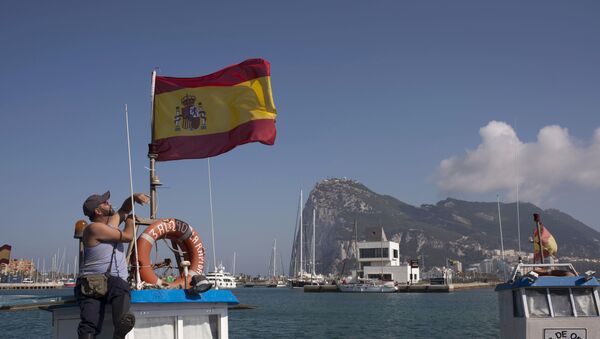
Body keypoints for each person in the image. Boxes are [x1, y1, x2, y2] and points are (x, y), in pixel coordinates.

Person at [76, 190, 149, 339]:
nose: (109, 203)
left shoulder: (111, 225)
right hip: (92, 283)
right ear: (98, 211)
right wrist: (130, 222)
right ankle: (120, 326)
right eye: (105, 202)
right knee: (90, 323)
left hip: (108, 282)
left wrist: (133, 197)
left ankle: (120, 328)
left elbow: (124, 210)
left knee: (119, 288)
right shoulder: (93, 228)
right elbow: (128, 236)